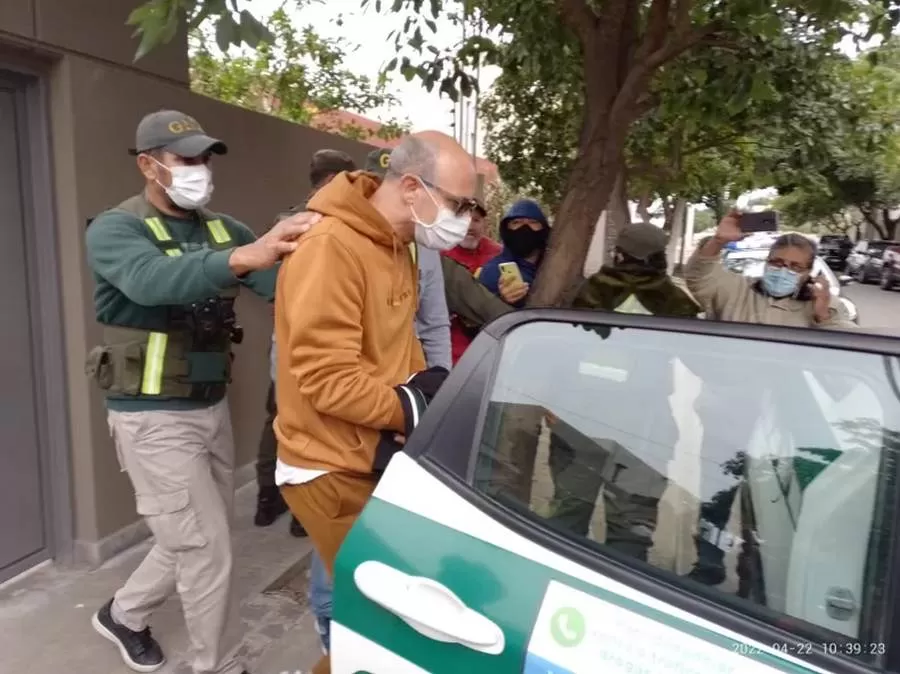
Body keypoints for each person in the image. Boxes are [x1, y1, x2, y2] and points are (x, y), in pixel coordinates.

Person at [83, 109, 311, 674]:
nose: (200, 169)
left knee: (189, 532)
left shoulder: (225, 228)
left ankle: (124, 614)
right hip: (150, 416)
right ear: (148, 164)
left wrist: (319, 249)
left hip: (209, 406)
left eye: (204, 158)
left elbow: (280, 287)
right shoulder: (116, 228)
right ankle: (221, 664)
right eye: (186, 159)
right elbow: (149, 280)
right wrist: (242, 257)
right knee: (206, 546)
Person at [274, 131, 477, 674]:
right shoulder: (331, 248)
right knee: (388, 619)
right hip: (329, 464)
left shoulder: (397, 241)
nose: (466, 218)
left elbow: (396, 343)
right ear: (412, 186)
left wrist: (431, 385)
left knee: (387, 619)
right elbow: (325, 379)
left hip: (374, 451)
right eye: (460, 203)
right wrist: (414, 408)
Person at [684, 212, 855, 586]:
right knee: (716, 495)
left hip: (782, 427)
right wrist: (718, 241)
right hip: (728, 414)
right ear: (765, 263)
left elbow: (844, 376)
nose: (783, 270)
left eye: (795, 266)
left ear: (809, 273)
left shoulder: (821, 309)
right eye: (777, 263)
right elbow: (697, 276)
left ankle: (755, 574)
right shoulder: (737, 290)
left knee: (767, 506)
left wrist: (825, 316)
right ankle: (708, 564)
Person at [545, 223, 701, 562]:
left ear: (619, 252)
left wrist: (553, 402)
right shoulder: (674, 302)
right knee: (631, 527)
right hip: (645, 425)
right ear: (661, 256)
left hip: (580, 418)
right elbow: (703, 359)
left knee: (568, 517)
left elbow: (560, 349)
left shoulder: (588, 291)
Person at [255, 149, 358, 538]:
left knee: (277, 415)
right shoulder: (336, 222)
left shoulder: (284, 220)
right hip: (323, 339)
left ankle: (267, 499)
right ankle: (303, 512)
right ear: (337, 179)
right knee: (315, 423)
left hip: (283, 338)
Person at [443, 197, 502, 363]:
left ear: (485, 223)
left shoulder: (499, 255)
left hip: (490, 349)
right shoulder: (440, 253)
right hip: (450, 352)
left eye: (475, 220)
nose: (470, 226)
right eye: (463, 219)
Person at [477, 199, 551, 307]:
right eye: (516, 222)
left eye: (533, 222)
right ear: (506, 229)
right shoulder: (492, 271)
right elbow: (478, 314)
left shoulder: (556, 265)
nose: (525, 228)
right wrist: (501, 300)